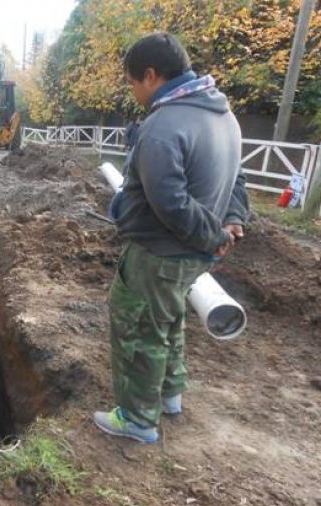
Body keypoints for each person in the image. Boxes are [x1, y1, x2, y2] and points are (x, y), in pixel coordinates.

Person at [94, 33, 249, 443]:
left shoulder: (163, 126)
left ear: (151, 75)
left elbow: (171, 203)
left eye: (133, 82)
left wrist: (213, 234)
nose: (134, 92)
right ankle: (169, 394)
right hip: (190, 255)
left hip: (158, 252)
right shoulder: (223, 116)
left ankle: (138, 419)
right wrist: (232, 219)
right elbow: (237, 177)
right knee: (170, 317)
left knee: (138, 328)